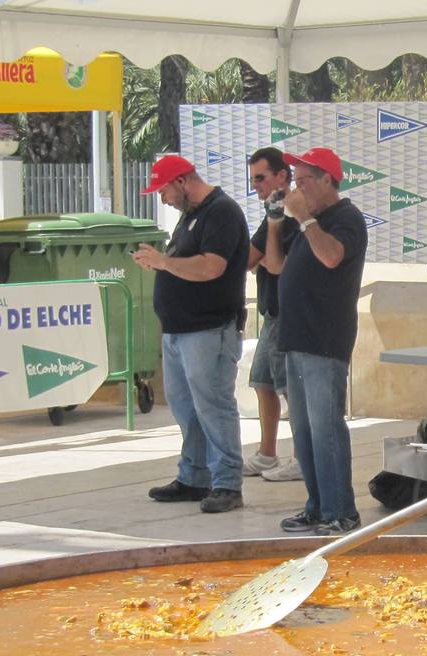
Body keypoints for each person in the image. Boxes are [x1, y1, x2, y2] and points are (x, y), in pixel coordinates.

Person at [132, 154, 249, 513]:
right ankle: (195, 476)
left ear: (182, 181)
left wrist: (164, 262)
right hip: (179, 330)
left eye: (164, 190)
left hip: (209, 329)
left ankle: (227, 482)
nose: (162, 198)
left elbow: (212, 267)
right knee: (186, 408)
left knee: (213, 405)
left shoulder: (221, 212)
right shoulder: (192, 215)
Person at [265, 147, 369, 536]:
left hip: (325, 339)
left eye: (304, 180)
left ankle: (342, 511)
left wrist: (304, 218)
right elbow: (276, 267)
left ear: (328, 179)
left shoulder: (344, 219)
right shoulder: (309, 223)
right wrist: (277, 223)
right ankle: (318, 506)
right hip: (297, 338)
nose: (296, 187)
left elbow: (331, 257)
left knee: (326, 428)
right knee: (305, 431)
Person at [242, 147, 304, 483]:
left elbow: (277, 262)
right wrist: (266, 253)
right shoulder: (271, 213)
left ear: (283, 176)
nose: (257, 186)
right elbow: (252, 259)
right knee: (262, 383)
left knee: (289, 389)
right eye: (253, 179)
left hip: (289, 314)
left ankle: (301, 457)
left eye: (261, 178)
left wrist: (268, 253)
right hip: (270, 313)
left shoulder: (295, 214)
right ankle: (267, 453)